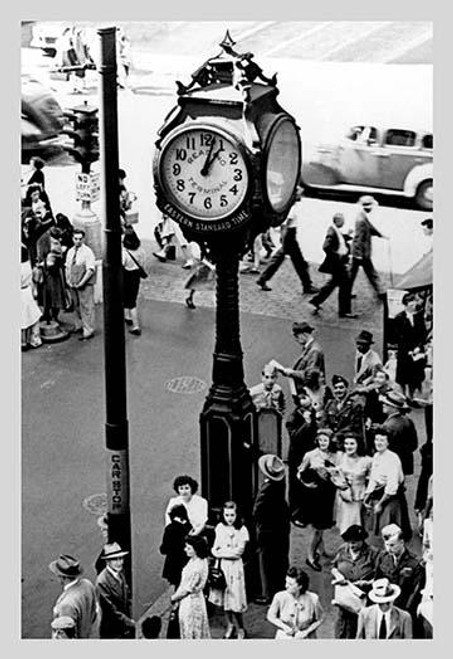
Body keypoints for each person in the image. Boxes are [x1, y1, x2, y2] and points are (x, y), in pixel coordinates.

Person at [256, 186, 317, 294]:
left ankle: (263, 279)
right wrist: (283, 237)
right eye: (299, 194)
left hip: (290, 236)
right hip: (289, 236)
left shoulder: (290, 205)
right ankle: (307, 285)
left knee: (284, 260)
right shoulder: (292, 207)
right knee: (298, 262)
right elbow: (285, 224)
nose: (301, 196)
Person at [373, 524, 425, 637]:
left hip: (405, 610)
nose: (389, 549)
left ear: (402, 542)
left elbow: (415, 592)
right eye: (386, 545)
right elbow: (377, 580)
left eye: (392, 545)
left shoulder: (415, 563)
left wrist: (403, 612)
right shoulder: (383, 558)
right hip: (385, 607)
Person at [297, 428, 338, 571]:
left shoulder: (335, 455)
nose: (322, 443)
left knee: (322, 526)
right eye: (320, 440)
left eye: (325, 440)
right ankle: (310, 557)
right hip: (315, 496)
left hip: (328, 493)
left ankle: (322, 551)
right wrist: (307, 483)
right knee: (316, 528)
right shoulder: (310, 455)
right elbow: (300, 472)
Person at [208, 501, 249, 639]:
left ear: (237, 515)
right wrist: (220, 552)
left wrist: (221, 552)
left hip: (235, 568)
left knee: (235, 599)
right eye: (226, 515)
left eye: (232, 515)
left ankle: (241, 628)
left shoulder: (242, 530)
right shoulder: (219, 528)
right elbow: (214, 549)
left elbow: (238, 552)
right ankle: (229, 624)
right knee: (225, 599)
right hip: (223, 567)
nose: (229, 518)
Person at [253, 454, 290, 604]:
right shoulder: (281, 483)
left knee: (267, 563)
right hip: (281, 528)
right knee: (281, 560)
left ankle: (269, 595)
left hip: (268, 531)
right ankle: (281, 589)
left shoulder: (266, 488)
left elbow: (257, 511)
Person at [331, 524, 379, 638]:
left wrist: (367, 583)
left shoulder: (373, 553)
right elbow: (333, 566)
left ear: (362, 540)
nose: (352, 545)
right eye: (350, 542)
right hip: (345, 599)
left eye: (355, 542)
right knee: (342, 630)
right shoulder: (342, 550)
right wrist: (337, 574)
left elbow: (380, 577)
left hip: (363, 600)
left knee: (362, 630)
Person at [363, 427, 411, 540]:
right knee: (382, 531)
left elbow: (392, 486)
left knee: (391, 532)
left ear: (388, 442)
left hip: (391, 498)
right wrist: (367, 495)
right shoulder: (376, 456)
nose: (378, 443)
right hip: (379, 494)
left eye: (382, 440)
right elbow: (373, 478)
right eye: (376, 440)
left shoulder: (393, 459)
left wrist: (380, 504)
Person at [309, 212, 356, 318]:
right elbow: (326, 247)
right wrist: (337, 256)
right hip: (337, 264)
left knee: (333, 284)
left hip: (338, 263)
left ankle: (316, 300)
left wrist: (347, 235)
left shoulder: (335, 230)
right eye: (342, 220)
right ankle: (344, 311)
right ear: (338, 221)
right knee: (345, 285)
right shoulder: (332, 232)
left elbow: (339, 240)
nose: (344, 222)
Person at [49, 554, 99, 638]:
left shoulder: (65, 606)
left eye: (57, 574)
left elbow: (65, 637)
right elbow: (94, 614)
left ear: (62, 577)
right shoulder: (87, 584)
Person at [170, 535, 211, 639]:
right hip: (193, 599)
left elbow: (187, 589)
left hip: (191, 603)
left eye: (188, 548)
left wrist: (174, 598)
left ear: (196, 550)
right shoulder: (196, 560)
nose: (185, 550)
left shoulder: (197, 567)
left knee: (191, 629)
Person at [349, 195, 388, 300]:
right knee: (370, 273)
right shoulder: (361, 220)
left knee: (353, 274)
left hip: (360, 253)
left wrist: (380, 234)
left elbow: (370, 227)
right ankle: (381, 291)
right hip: (361, 253)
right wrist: (358, 255)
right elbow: (358, 238)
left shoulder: (362, 215)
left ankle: (347, 291)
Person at [267, 566, 324, 639]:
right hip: (284, 636)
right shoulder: (279, 597)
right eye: (286, 582)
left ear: (300, 586)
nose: (286, 586)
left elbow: (320, 619)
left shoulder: (313, 598)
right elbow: (271, 616)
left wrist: (306, 632)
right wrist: (284, 627)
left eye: (290, 584)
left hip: (306, 637)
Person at [286, 393, 317, 526]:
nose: (306, 400)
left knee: (309, 484)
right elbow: (295, 438)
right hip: (297, 456)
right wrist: (306, 423)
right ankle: (295, 514)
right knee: (297, 486)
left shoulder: (314, 412)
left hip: (311, 453)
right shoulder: (293, 418)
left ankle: (309, 514)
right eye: (303, 398)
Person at [333, 434, 372, 535]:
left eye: (352, 444)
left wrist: (369, 496)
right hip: (343, 496)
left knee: (356, 525)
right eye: (346, 443)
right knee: (344, 525)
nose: (348, 446)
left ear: (358, 445)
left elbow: (372, 480)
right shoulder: (340, 456)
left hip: (358, 497)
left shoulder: (367, 460)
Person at [96, 542, 135, 639]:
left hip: (125, 627)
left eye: (121, 558)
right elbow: (111, 611)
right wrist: (130, 623)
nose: (119, 562)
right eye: (115, 559)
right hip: (112, 631)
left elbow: (127, 595)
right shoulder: (102, 581)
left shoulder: (121, 572)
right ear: (107, 561)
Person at [275, 321, 325, 395]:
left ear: (304, 334)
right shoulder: (310, 348)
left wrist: (292, 373)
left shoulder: (314, 351)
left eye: (296, 336)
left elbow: (310, 377)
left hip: (311, 394)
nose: (296, 339)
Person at [393, 292, 427, 400]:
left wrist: (418, 347)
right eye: (413, 301)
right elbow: (398, 337)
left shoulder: (418, 317)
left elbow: (423, 334)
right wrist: (408, 350)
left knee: (414, 376)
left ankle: (411, 396)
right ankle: (403, 397)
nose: (415, 304)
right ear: (407, 303)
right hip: (404, 352)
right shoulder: (399, 318)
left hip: (417, 352)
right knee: (403, 376)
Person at [65, 229, 96, 340]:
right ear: (72, 239)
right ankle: (79, 325)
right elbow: (68, 267)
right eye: (75, 239)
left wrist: (81, 283)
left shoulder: (88, 252)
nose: (77, 241)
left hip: (84, 284)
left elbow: (90, 270)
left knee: (87, 307)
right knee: (76, 305)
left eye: (80, 239)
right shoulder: (70, 252)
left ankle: (88, 329)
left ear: (83, 239)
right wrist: (68, 281)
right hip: (72, 283)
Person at [381, 390, 418, 477]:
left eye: (386, 404)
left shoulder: (390, 426)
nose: (383, 405)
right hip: (405, 461)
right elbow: (414, 444)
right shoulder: (406, 420)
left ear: (394, 408)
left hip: (391, 463)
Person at [323, 375, 365, 450]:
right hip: (331, 440)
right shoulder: (330, 404)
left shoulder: (354, 405)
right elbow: (324, 421)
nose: (338, 390)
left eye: (341, 388)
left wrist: (337, 435)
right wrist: (327, 432)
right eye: (335, 388)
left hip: (347, 440)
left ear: (346, 389)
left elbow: (353, 426)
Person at [159, 503, 192, 588]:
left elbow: (163, 549)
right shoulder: (188, 527)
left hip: (173, 564)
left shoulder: (169, 529)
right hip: (186, 562)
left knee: (177, 588)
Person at [37, 233, 67, 324]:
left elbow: (52, 261)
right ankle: (48, 315)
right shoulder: (49, 241)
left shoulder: (55, 245)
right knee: (49, 295)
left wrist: (42, 264)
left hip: (53, 274)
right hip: (49, 274)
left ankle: (53, 316)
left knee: (54, 296)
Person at [122, 227, 146, 336]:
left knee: (130, 302)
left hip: (126, 276)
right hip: (136, 276)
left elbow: (122, 265)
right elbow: (142, 262)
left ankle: (136, 326)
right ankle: (127, 317)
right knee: (131, 298)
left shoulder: (125, 252)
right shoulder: (140, 250)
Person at [21, 244, 42, 351]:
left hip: (20, 292)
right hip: (28, 291)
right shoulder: (27, 265)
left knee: (22, 318)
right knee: (32, 316)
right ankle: (33, 339)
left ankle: (23, 342)